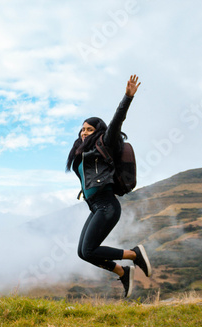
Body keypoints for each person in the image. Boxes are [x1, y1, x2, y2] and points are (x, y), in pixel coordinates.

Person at [66, 75, 152, 298]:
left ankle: (134, 254)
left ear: (98, 131)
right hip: (96, 207)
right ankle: (123, 271)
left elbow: (116, 122)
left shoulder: (105, 142)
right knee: (82, 253)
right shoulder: (83, 153)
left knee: (89, 249)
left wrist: (127, 97)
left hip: (107, 205)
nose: (84, 132)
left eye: (89, 129)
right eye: (82, 129)